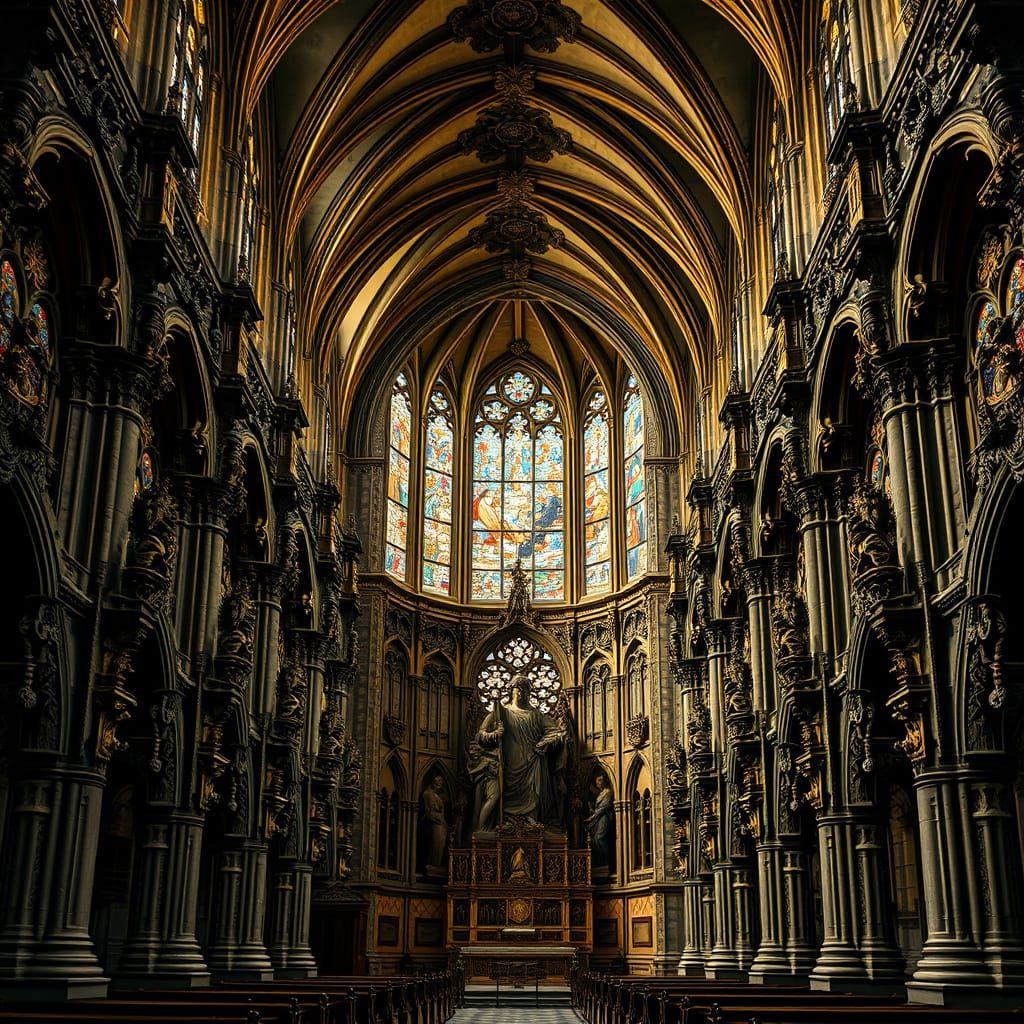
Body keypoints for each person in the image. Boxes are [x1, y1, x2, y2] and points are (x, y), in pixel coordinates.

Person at [476, 674, 567, 828]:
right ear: (511, 692)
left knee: (534, 792)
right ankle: (507, 820)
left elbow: (556, 733)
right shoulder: (501, 713)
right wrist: (493, 735)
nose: (520, 694)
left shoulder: (536, 715)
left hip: (533, 761)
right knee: (505, 791)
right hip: (509, 763)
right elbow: (480, 736)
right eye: (517, 690)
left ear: (529, 693)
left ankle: (531, 818)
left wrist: (546, 742)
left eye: (524, 691)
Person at [584, 773, 615, 870]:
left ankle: (605, 862)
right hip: (598, 818)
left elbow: (604, 807)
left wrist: (593, 816)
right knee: (593, 839)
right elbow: (598, 808)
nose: (597, 782)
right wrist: (592, 810)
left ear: (604, 781)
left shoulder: (608, 792)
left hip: (604, 818)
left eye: (600, 780)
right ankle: (600, 862)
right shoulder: (601, 793)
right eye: (597, 780)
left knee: (599, 838)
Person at [421, 775, 448, 873]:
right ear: (434, 784)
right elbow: (429, 812)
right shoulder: (427, 793)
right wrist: (441, 821)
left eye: (441, 785)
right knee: (436, 844)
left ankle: (437, 865)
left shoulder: (437, 795)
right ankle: (433, 865)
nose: (440, 787)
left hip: (440, 824)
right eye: (439, 785)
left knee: (441, 844)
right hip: (435, 824)